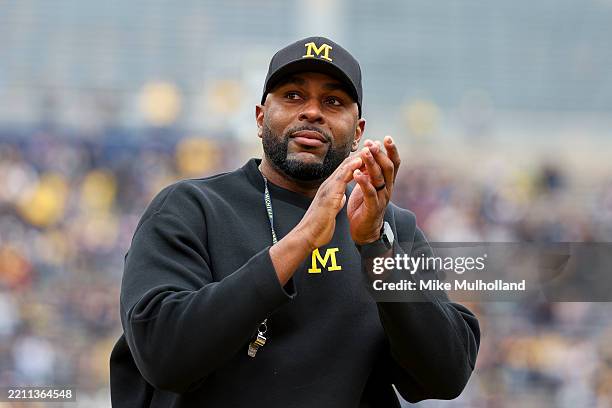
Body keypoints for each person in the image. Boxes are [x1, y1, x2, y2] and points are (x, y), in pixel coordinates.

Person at [110, 36, 480, 407]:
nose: (312, 112)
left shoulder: (391, 228)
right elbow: (163, 357)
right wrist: (302, 238)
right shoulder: (191, 208)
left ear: (357, 132)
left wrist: (374, 246)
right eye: (292, 96)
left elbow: (445, 376)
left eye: (333, 101)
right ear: (259, 118)